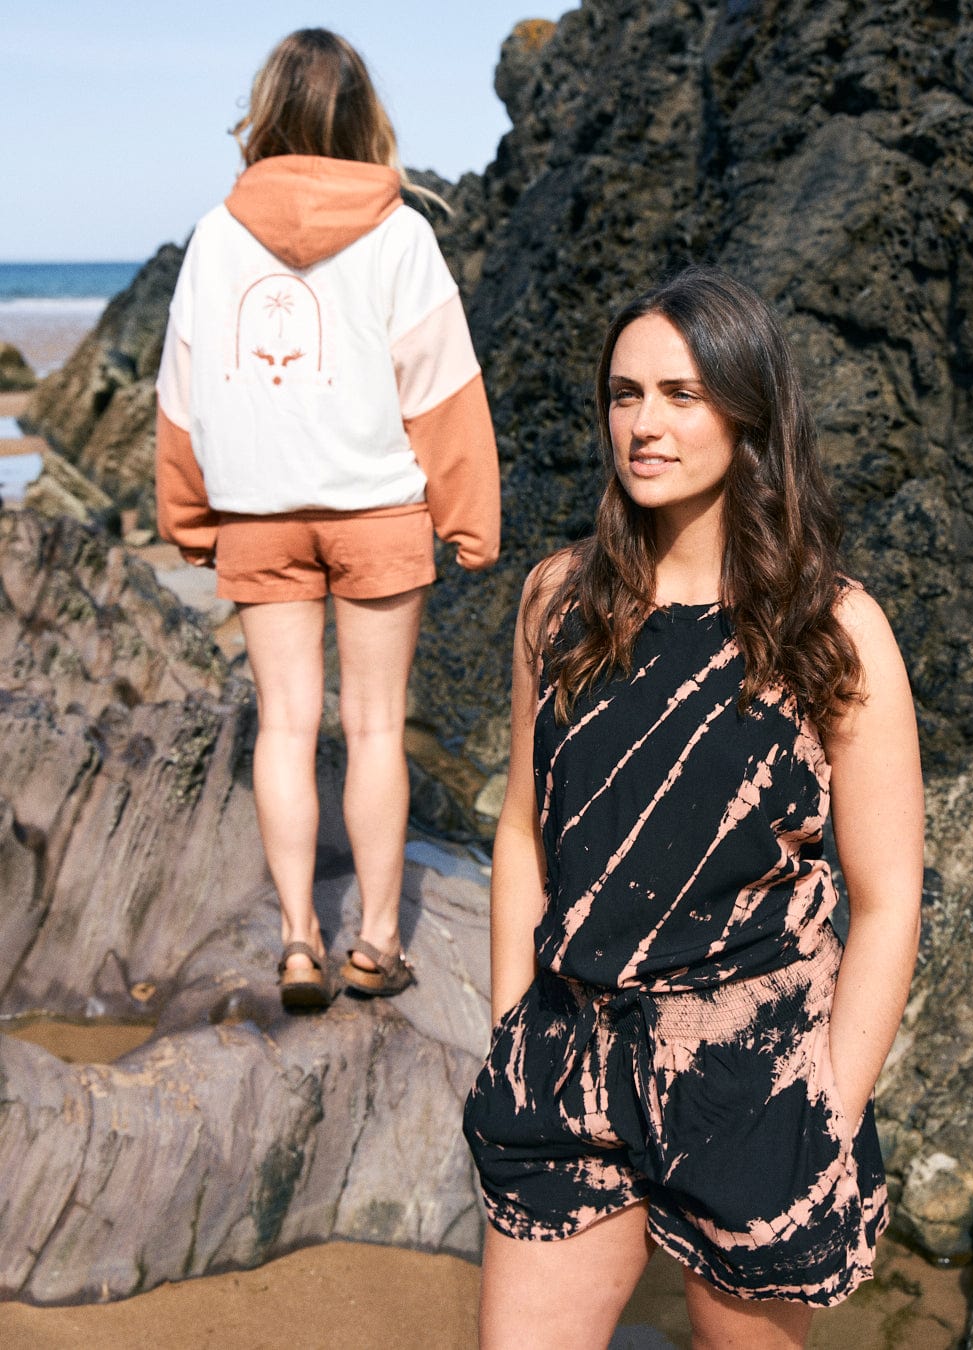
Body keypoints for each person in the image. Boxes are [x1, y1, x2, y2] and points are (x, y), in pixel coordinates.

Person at [463, 267, 922, 1348]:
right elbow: (526, 832)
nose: (644, 423)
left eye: (681, 394)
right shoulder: (560, 600)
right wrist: (509, 1036)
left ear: (748, 409)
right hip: (569, 1059)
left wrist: (830, 1106)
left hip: (754, 1078)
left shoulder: (833, 628)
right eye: (624, 395)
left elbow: (891, 895)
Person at [155, 29, 499, 1009]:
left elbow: (184, 393)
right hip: (378, 508)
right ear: (362, 118)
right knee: (378, 727)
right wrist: (470, 517)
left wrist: (187, 514)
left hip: (260, 516)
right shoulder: (401, 234)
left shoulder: (217, 236)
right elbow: (442, 390)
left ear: (265, 112)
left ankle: (300, 940)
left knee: (287, 728)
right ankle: (378, 944)